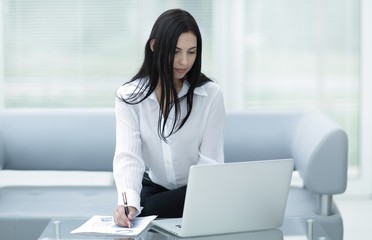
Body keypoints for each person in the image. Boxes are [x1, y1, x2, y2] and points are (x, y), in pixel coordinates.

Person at [113, 8, 225, 227]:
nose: (184, 61)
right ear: (154, 46)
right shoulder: (128, 97)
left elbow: (210, 163)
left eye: (192, 52)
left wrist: (202, 200)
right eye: (176, 51)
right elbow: (128, 156)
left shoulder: (210, 94)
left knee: (151, 210)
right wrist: (127, 204)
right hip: (154, 191)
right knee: (143, 208)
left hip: (197, 191)